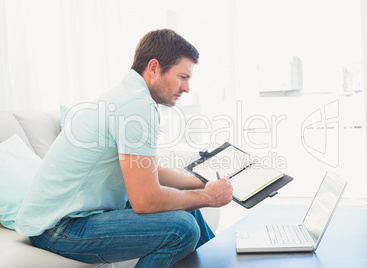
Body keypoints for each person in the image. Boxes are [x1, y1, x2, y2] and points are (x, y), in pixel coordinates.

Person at [15, 29, 233, 267]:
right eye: (182, 76)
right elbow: (145, 200)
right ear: (153, 68)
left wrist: (200, 182)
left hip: (64, 219)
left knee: (189, 208)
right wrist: (207, 196)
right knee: (182, 229)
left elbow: (145, 169)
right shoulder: (136, 106)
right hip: (58, 228)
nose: (187, 88)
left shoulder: (129, 96)